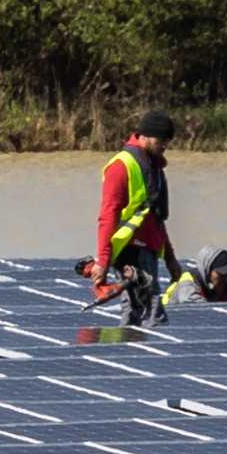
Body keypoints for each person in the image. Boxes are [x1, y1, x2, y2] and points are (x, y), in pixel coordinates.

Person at [88, 113, 181, 329]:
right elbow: (107, 215)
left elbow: (155, 217)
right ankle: (144, 356)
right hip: (130, 251)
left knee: (137, 315)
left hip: (148, 250)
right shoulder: (121, 166)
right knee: (152, 315)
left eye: (168, 141)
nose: (165, 145)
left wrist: (170, 259)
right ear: (145, 136)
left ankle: (133, 352)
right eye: (161, 141)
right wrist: (103, 260)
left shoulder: (154, 166)